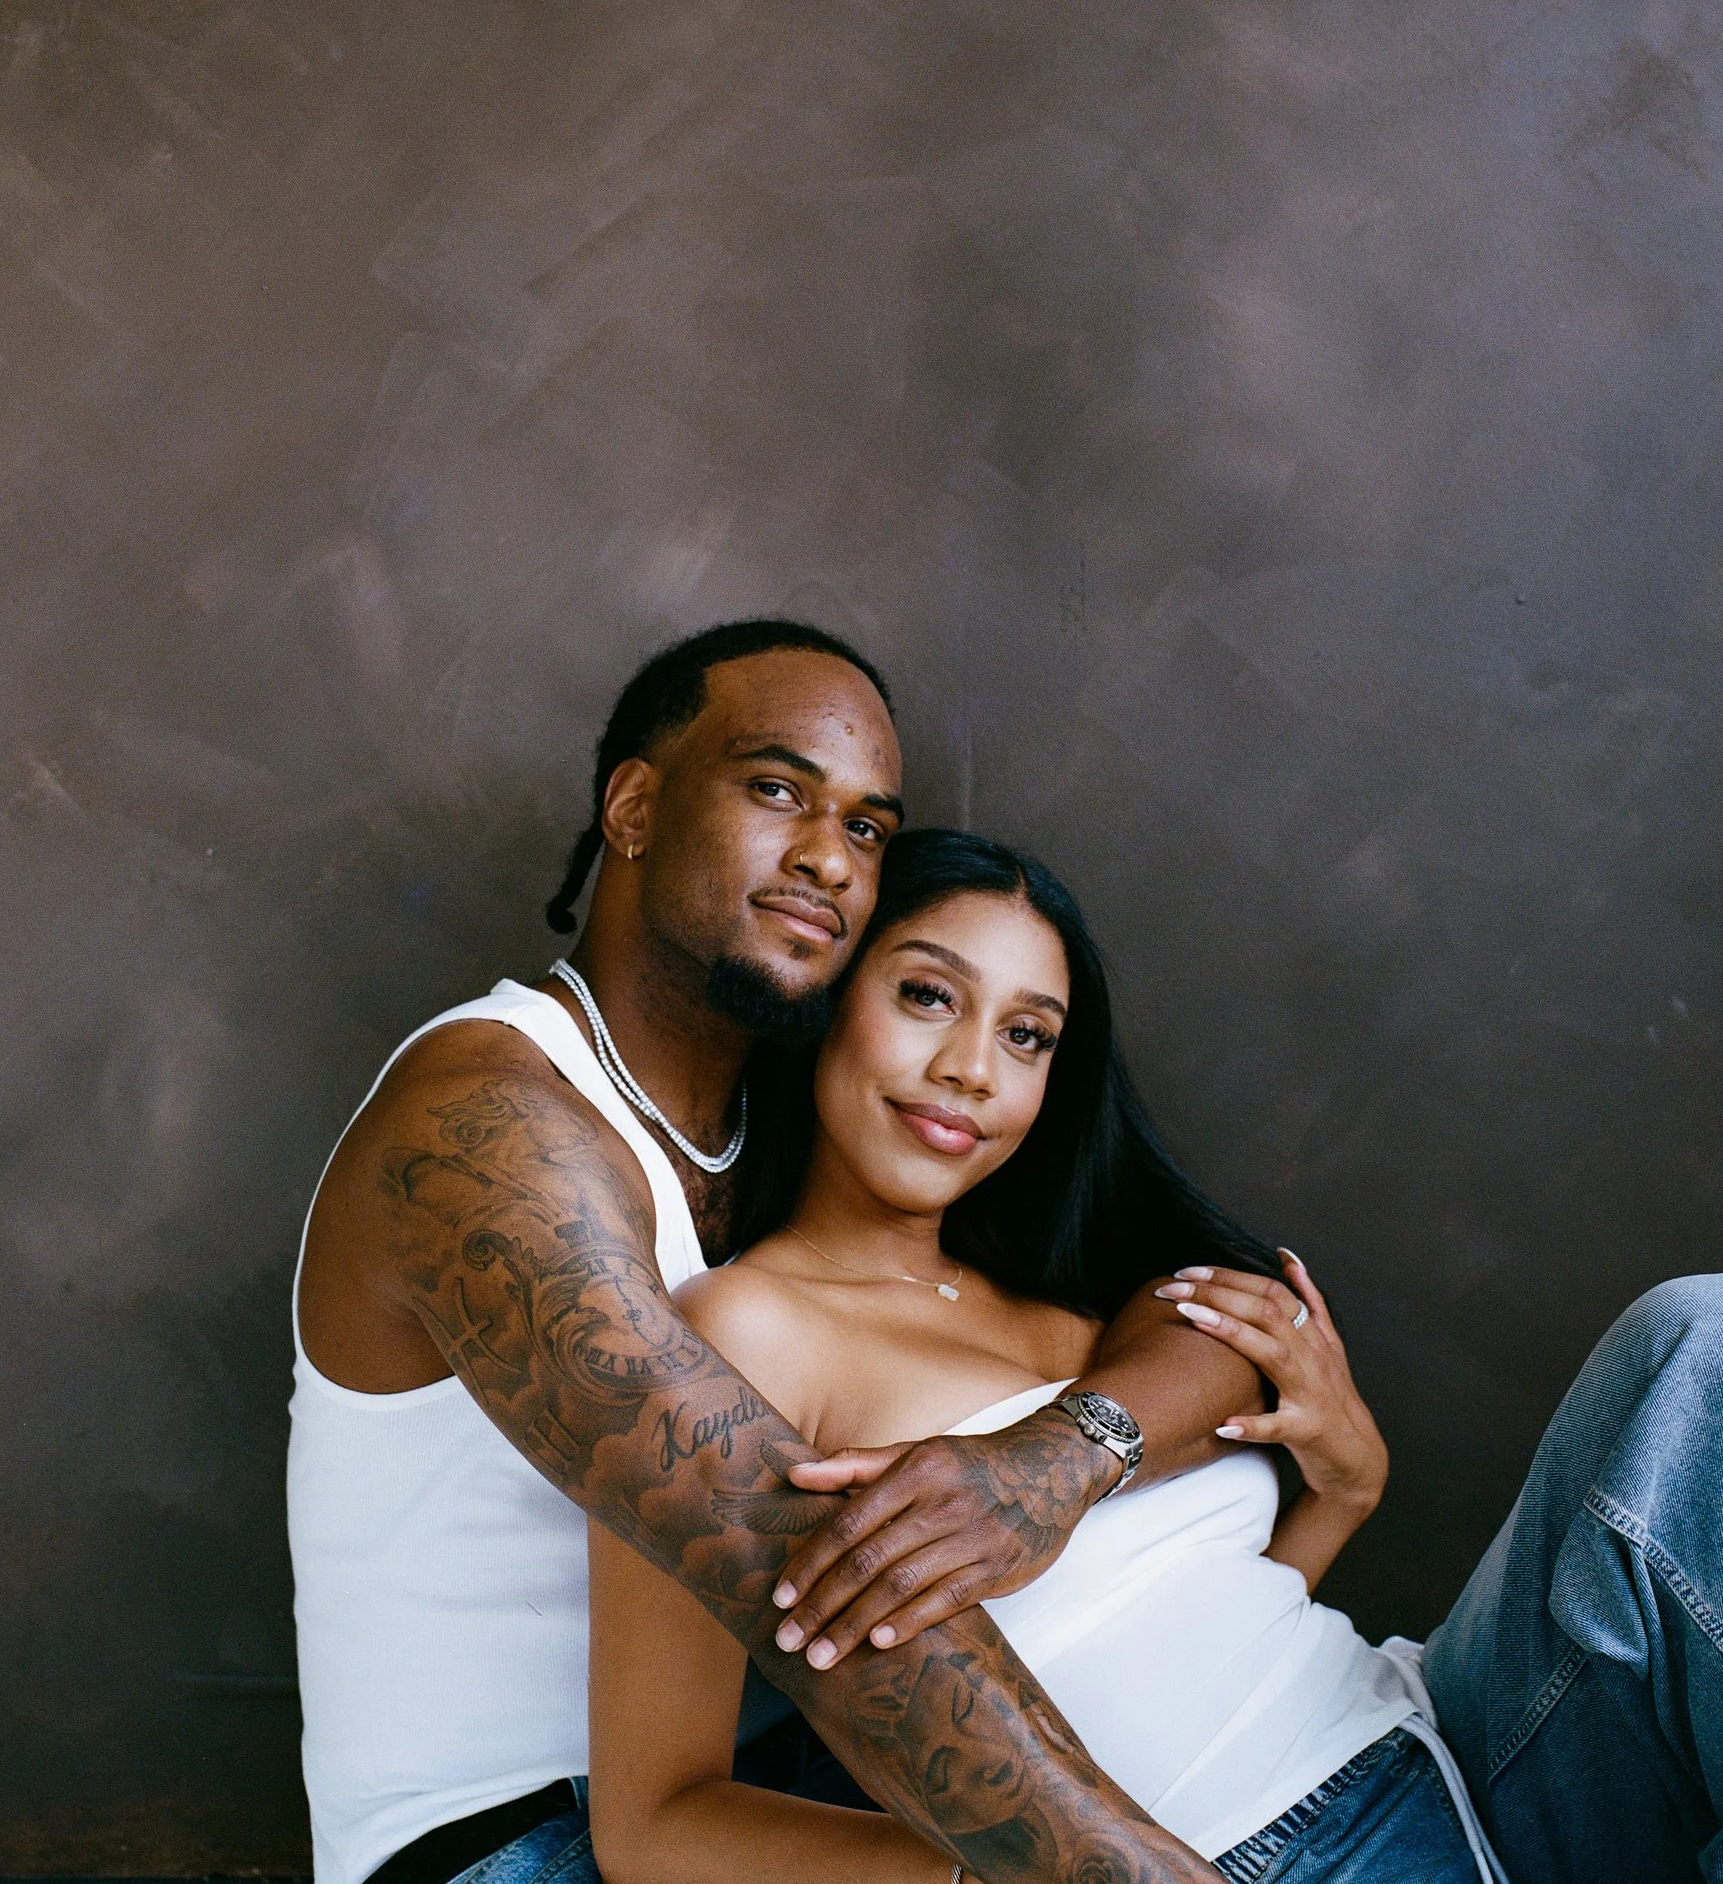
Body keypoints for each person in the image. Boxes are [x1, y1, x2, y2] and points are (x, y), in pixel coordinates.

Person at [588, 828, 1723, 1884]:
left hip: (1463, 1756)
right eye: (928, 994)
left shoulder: (1076, 1304)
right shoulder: (741, 1336)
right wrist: (1016, 1865)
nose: (976, 1068)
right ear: (830, 996)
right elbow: (654, 1820)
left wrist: (1332, 1501)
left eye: (1030, 1034)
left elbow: (1167, 1617)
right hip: (1229, 1858)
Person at [288, 621, 1261, 1884]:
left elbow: (1188, 1303)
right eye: (776, 789)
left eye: (865, 826)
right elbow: (812, 1574)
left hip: (772, 1793)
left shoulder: (797, 1137)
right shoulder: (495, 1126)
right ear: (633, 806)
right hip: (509, 1844)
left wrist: (1065, 1455)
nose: (827, 857)